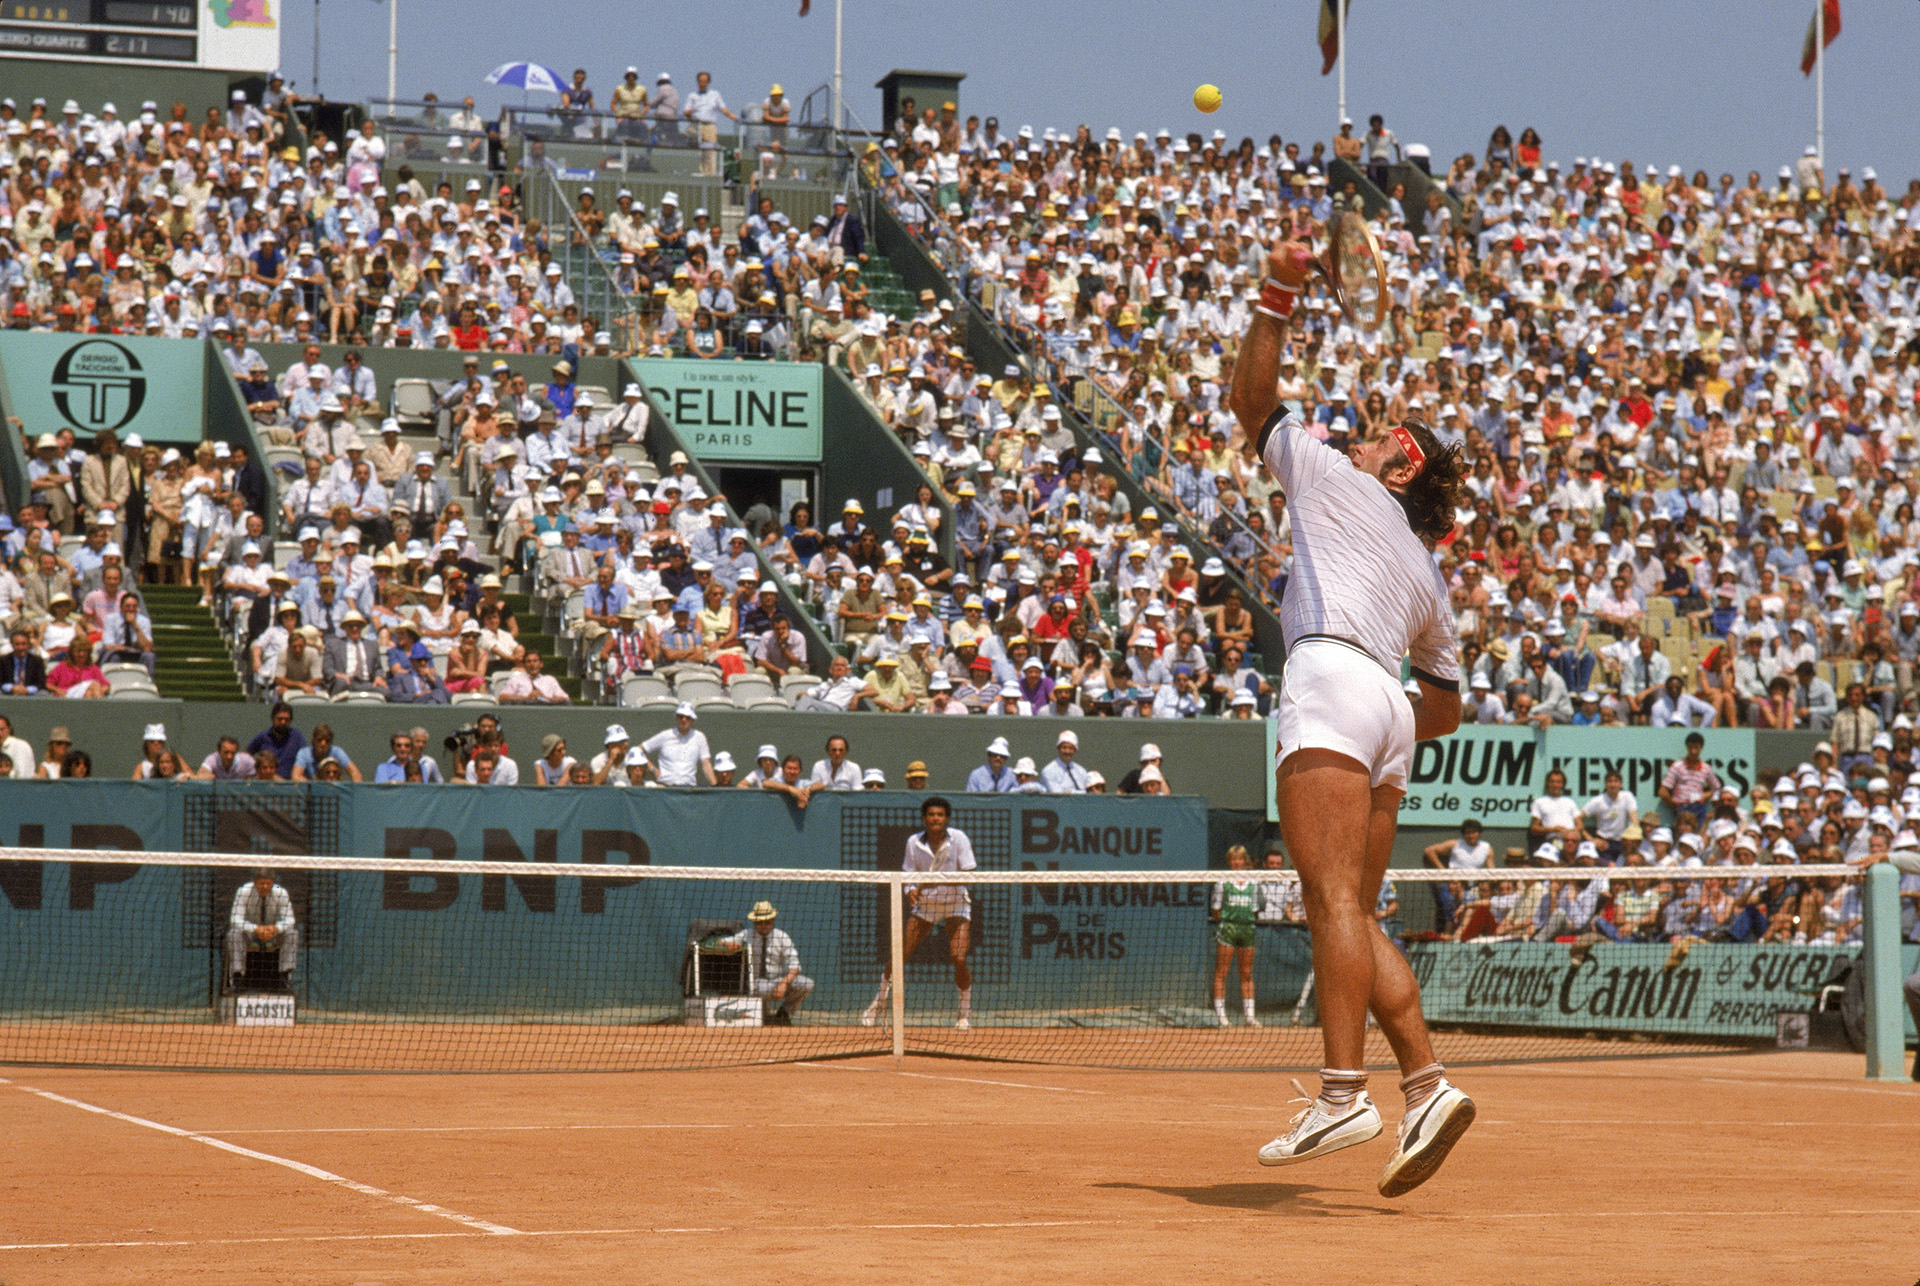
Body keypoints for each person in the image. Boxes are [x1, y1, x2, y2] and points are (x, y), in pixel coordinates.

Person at [1229, 234, 1474, 1196]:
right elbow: (1446, 711)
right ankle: (1426, 1086)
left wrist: (1280, 286)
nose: (1359, 438)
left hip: (1330, 678)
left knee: (1329, 902)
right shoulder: (1428, 575)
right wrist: (1387, 708)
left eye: (1378, 439)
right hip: (1393, 713)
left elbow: (1251, 404)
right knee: (1355, 910)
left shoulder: (1336, 476)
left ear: (1399, 471)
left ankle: (1342, 1094)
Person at [863, 795, 976, 1030]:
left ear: (947, 819)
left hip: (956, 904)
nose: (936, 818)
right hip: (926, 906)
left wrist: (940, 881)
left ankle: (964, 1014)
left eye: (940, 815)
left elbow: (968, 873)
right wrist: (911, 891)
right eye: (932, 815)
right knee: (899, 955)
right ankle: (878, 1003)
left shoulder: (959, 839)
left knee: (959, 958)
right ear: (924, 818)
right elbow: (908, 875)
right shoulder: (913, 842)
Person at [714, 901, 813, 1025]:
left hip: (780, 979)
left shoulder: (782, 937)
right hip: (757, 982)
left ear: (773, 920)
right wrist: (727, 943)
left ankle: (784, 1013)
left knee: (806, 984)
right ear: (754, 922)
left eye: (768, 921)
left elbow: (795, 966)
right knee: (762, 988)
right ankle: (765, 1016)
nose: (764, 925)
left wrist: (783, 984)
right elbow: (720, 941)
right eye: (760, 922)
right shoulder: (746, 935)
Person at [1210, 844, 1264, 1027]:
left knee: (1247, 973)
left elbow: (1255, 908)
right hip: (1228, 930)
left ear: (1245, 860)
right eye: (1234, 859)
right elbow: (1216, 909)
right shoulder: (1222, 881)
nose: (1237, 862)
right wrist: (1226, 922)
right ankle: (1221, 1016)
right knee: (1221, 972)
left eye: (1240, 859)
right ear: (1229, 862)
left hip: (1247, 929)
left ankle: (1249, 1016)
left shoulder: (1254, 882)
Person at [227, 868, 297, 990]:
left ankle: (285, 977)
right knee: (234, 933)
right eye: (261, 883)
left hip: (273, 935)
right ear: (255, 882)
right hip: (250, 934)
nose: (264, 886)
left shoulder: (281, 893)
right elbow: (235, 919)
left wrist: (276, 928)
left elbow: (290, 920)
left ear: (273, 883)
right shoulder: (243, 891)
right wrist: (255, 929)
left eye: (268, 883)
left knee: (292, 933)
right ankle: (237, 978)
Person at [641, 702, 715, 786]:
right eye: (681, 717)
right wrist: (654, 770)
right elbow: (639, 750)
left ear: (693, 720)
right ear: (676, 718)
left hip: (688, 789)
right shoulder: (665, 735)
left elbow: (706, 764)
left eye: (688, 717)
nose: (684, 719)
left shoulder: (699, 737)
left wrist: (715, 788)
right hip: (665, 787)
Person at [247, 702, 307, 780]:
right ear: (273, 718)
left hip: (289, 786)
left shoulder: (297, 737)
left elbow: (305, 758)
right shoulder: (262, 737)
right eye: (279, 719)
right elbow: (246, 756)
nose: (283, 722)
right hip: (265, 785)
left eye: (286, 720)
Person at [1039, 729, 1090, 794]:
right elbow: (1058, 794)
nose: (1067, 751)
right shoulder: (1049, 771)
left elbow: (1088, 793)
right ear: (1058, 748)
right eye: (1064, 747)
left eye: (1071, 748)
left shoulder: (1081, 771)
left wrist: (1070, 792)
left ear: (1075, 750)